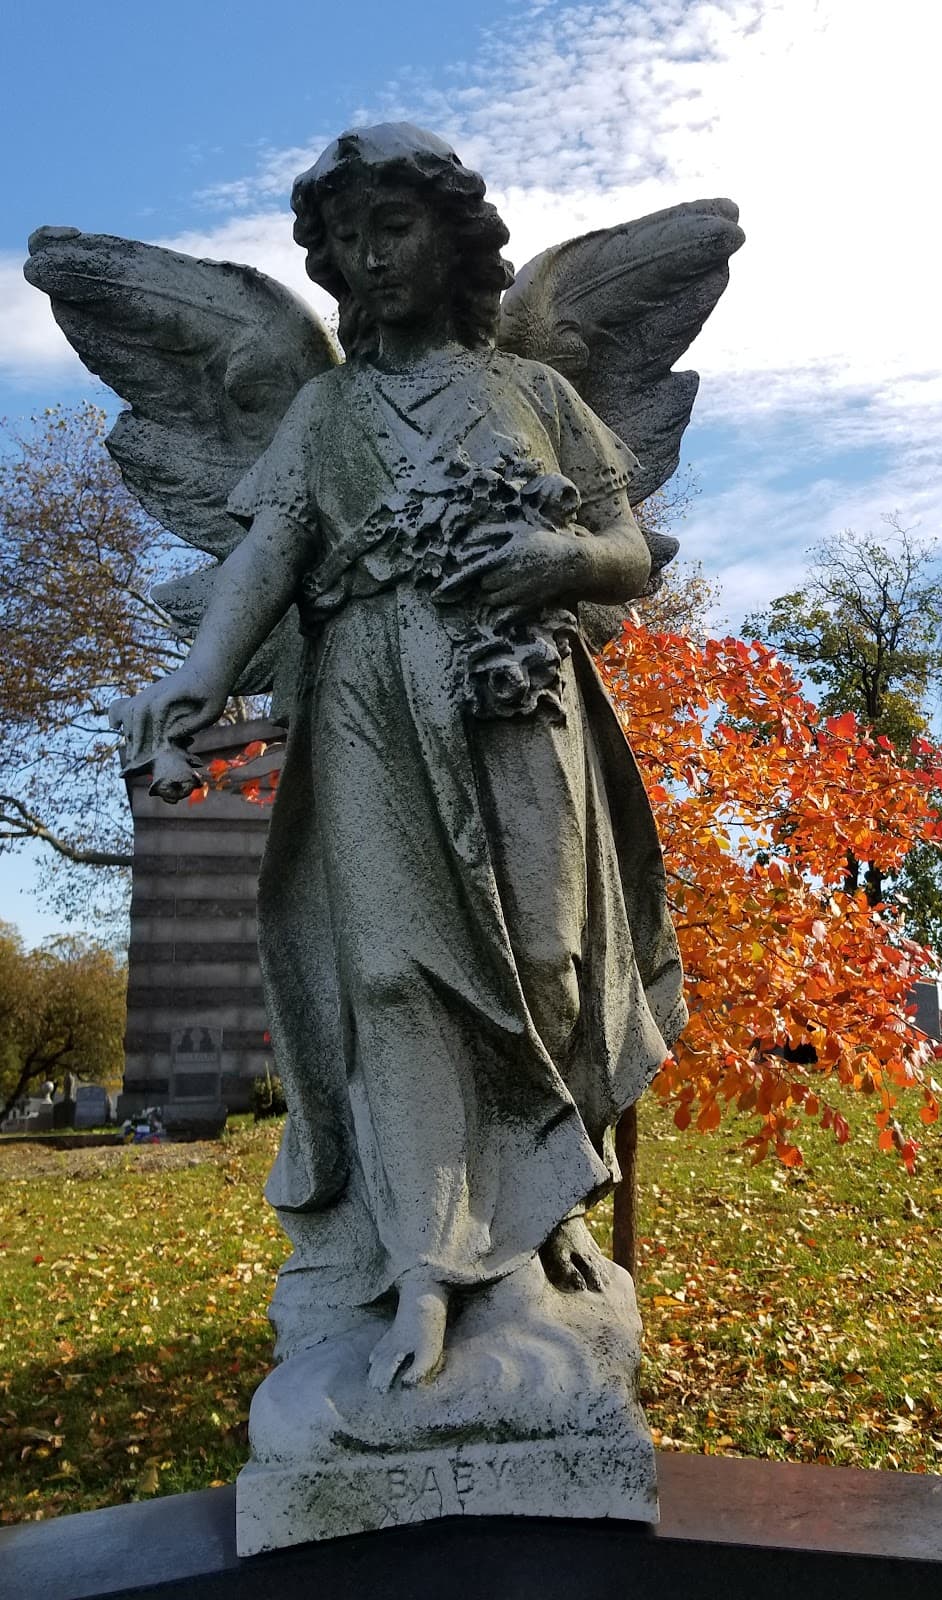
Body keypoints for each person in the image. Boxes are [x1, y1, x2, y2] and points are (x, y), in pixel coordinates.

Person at [112, 124, 685, 1392]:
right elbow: (267, 555)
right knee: (391, 973)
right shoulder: (324, 410)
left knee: (551, 958)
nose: (367, 259)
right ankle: (427, 1264)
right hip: (371, 696)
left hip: (516, 702)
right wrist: (195, 679)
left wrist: (560, 562)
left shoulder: (534, 393)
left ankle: (546, 1206)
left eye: (393, 228)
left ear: (454, 239)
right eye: (344, 240)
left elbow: (629, 551)